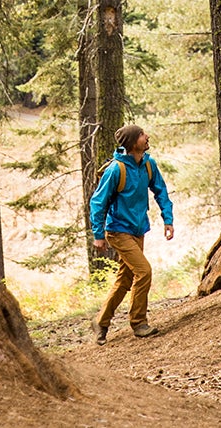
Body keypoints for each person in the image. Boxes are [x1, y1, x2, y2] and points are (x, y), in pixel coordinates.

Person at [88, 123, 174, 343]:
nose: (147, 136)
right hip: (118, 231)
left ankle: (101, 322)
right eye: (142, 134)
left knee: (125, 280)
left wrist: (168, 219)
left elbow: (161, 190)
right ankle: (139, 323)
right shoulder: (116, 169)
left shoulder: (147, 164)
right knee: (144, 271)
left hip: (138, 230)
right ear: (133, 142)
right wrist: (98, 235)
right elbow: (98, 203)